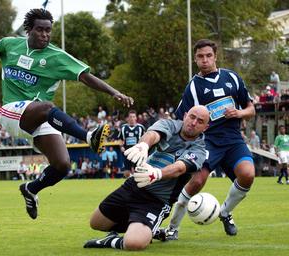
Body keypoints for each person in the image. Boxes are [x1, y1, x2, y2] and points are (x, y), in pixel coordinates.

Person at [0, 8, 133, 220]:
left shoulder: (57, 56)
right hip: (10, 112)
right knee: (45, 106)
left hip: (39, 116)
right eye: (40, 30)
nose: (45, 34)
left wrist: (114, 92)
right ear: (29, 30)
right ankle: (89, 137)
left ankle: (31, 189)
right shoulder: (10, 44)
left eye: (48, 31)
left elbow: (85, 76)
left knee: (62, 165)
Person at [160, 39, 256, 239]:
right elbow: (182, 118)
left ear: (215, 56)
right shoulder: (193, 88)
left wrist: (238, 113)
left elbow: (251, 109)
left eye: (208, 55)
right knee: (197, 182)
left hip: (233, 140)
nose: (205, 60)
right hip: (207, 142)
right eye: (200, 57)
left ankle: (225, 212)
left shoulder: (232, 78)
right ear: (195, 59)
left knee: (248, 174)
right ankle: (173, 228)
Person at [83, 106, 209, 251]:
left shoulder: (199, 150)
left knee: (134, 243)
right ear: (186, 115)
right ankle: (150, 230)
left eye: (200, 121)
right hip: (133, 186)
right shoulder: (170, 124)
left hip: (156, 201)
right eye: (192, 117)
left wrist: (157, 174)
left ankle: (112, 240)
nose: (193, 123)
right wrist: (143, 145)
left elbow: (179, 168)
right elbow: (153, 134)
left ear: (205, 127)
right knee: (96, 223)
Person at [118, 110, 145, 177]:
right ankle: (129, 184)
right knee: (127, 172)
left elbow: (145, 138)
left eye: (133, 117)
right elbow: (120, 139)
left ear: (136, 118)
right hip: (127, 152)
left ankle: (136, 185)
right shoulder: (124, 128)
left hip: (137, 153)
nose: (132, 118)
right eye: (130, 117)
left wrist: (143, 147)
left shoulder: (140, 128)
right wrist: (121, 146)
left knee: (138, 170)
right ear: (128, 118)